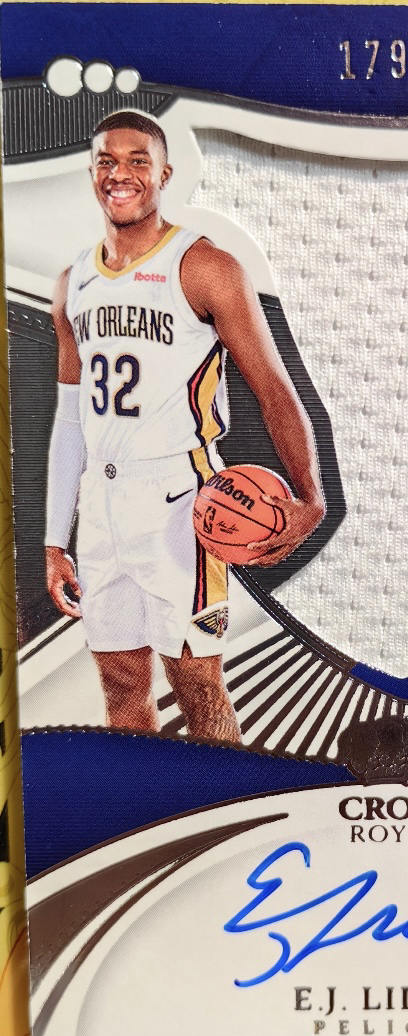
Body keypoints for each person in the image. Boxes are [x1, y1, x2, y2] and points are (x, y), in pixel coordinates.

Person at [45, 110, 325, 745]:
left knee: (197, 683)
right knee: (120, 682)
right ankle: (141, 800)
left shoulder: (204, 267)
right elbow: (70, 417)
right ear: (92, 173)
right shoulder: (73, 281)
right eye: (107, 161)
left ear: (164, 174)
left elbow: (273, 387)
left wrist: (309, 496)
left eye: (137, 161)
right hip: (101, 502)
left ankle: (229, 802)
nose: (120, 174)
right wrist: (55, 539)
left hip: (179, 498)